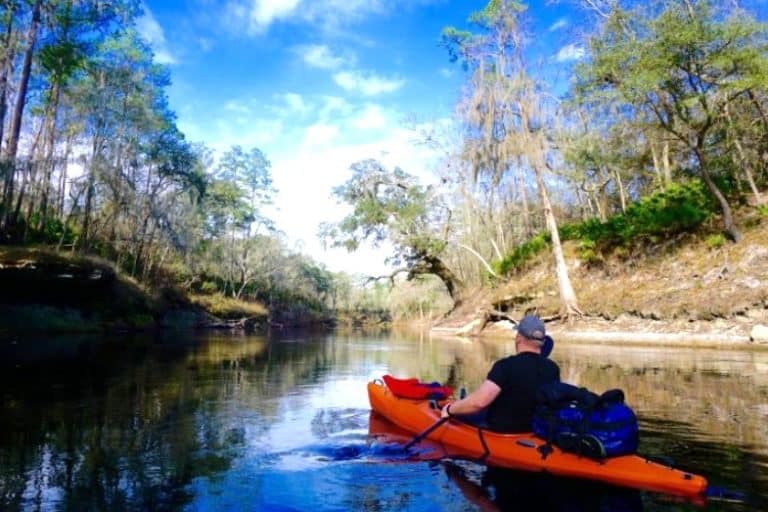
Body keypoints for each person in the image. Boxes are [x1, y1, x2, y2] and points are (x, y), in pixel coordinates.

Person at [440, 314, 560, 433]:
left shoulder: (505, 366)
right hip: (532, 432)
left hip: (500, 432)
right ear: (542, 342)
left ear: (518, 338)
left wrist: (450, 409)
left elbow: (479, 403)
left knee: (460, 413)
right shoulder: (553, 369)